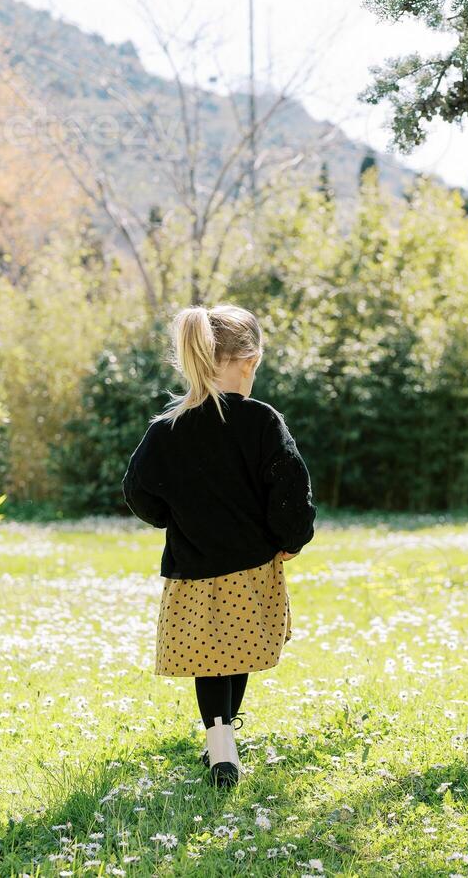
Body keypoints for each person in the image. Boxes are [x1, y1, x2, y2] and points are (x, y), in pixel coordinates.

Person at [122, 305, 316, 787]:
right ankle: (225, 737)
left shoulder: (166, 429)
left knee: (208, 657)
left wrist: (173, 520)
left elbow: (137, 490)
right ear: (248, 362)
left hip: (194, 569)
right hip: (251, 567)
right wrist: (291, 539)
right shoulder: (261, 421)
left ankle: (219, 739)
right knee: (239, 651)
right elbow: (289, 486)